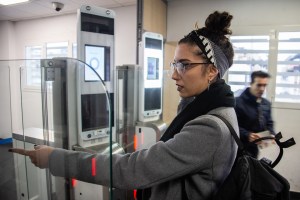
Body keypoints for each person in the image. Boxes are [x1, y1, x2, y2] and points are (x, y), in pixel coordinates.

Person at [10, 11, 238, 200]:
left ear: (211, 71)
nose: (174, 75)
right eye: (175, 64)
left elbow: (132, 171)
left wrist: (55, 158)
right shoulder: (214, 108)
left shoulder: (209, 127)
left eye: (185, 65)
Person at [235, 70, 275, 158]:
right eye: (259, 85)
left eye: (264, 85)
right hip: (236, 149)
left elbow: (269, 123)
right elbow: (232, 126)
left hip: (253, 150)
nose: (262, 89)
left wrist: (271, 134)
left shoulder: (266, 104)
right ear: (251, 84)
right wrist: (247, 135)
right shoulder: (237, 103)